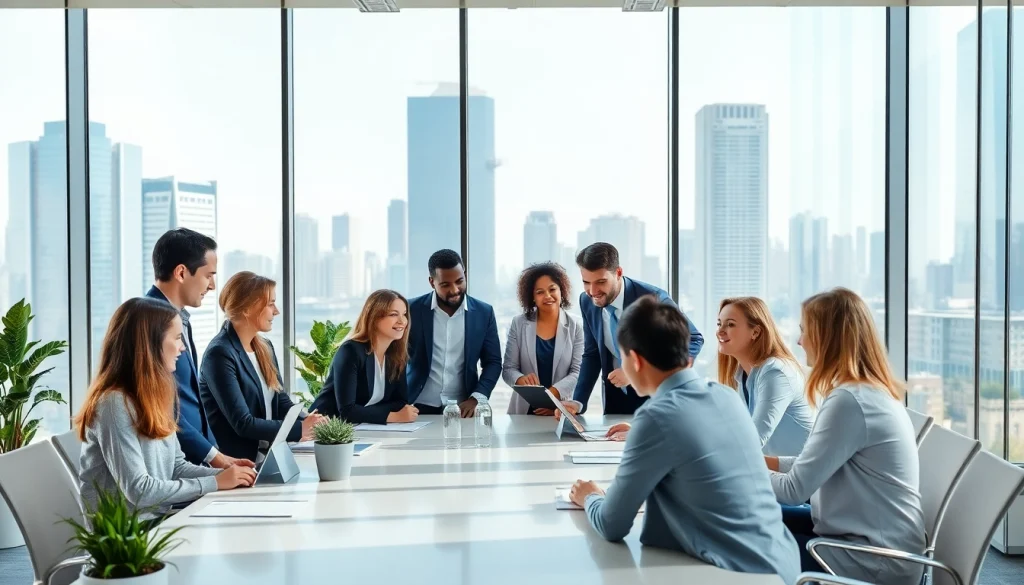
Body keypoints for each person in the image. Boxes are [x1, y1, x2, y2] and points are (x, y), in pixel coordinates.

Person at [567, 296, 799, 584]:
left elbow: (612, 524)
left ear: (636, 361)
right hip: (784, 565)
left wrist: (590, 495)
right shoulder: (725, 396)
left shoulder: (655, 417)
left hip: (736, 573)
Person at [767, 287, 925, 584]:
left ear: (827, 337)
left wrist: (738, 469)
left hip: (870, 561)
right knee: (754, 520)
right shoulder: (863, 393)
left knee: (742, 545)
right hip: (863, 542)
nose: (800, 341)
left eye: (805, 331)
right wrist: (763, 461)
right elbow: (810, 465)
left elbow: (793, 490)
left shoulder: (850, 402)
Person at [76, 298, 257, 519]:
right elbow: (139, 490)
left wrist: (229, 475)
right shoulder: (113, 404)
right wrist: (215, 482)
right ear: (150, 345)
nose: (182, 347)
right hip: (127, 539)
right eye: (177, 338)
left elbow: (175, 467)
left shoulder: (154, 396)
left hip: (157, 520)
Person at [200, 272, 325, 462]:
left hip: (270, 459)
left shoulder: (264, 347)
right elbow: (243, 423)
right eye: (270, 303)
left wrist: (310, 420)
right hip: (239, 465)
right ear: (248, 308)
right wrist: (300, 428)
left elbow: (281, 401)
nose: (276, 311)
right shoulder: (219, 354)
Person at [565, 242, 703, 415]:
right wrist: (578, 401)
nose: (593, 291)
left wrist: (635, 372)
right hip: (615, 399)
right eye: (586, 282)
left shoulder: (653, 298)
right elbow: (592, 354)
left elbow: (694, 339)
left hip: (654, 398)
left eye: (601, 282)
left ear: (618, 273)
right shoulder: (587, 301)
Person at [145, 228, 242, 468]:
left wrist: (215, 454)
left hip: (194, 459)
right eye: (208, 275)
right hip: (173, 466)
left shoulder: (178, 318)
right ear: (181, 272)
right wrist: (215, 458)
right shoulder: (148, 322)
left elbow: (189, 397)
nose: (212, 286)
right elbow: (163, 408)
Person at [406, 249, 502, 417]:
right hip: (416, 406)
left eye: (460, 281)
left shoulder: (484, 313)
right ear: (432, 282)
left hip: (464, 408)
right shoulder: (411, 309)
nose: (455, 289)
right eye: (445, 284)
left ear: (465, 274)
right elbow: (393, 359)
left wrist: (476, 398)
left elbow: (493, 362)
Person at [717, 297, 814, 456]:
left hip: (801, 476)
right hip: (774, 475)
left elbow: (753, 440)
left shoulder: (775, 372)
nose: (720, 331)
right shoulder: (742, 376)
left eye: (730, 324)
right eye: (719, 324)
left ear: (755, 332)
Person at [310, 289, 419, 424]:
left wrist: (363, 412)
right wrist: (393, 416)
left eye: (404, 314)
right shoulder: (350, 351)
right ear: (374, 317)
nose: (402, 321)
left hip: (362, 428)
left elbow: (400, 402)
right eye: (393, 315)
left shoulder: (395, 354)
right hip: (325, 430)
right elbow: (347, 411)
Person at [501, 263, 584, 415]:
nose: (547, 296)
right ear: (532, 297)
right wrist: (520, 379)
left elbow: (577, 372)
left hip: (560, 410)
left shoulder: (576, 325)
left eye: (552, 289)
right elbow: (508, 369)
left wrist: (551, 396)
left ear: (561, 291)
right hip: (522, 413)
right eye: (540, 292)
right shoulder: (519, 323)